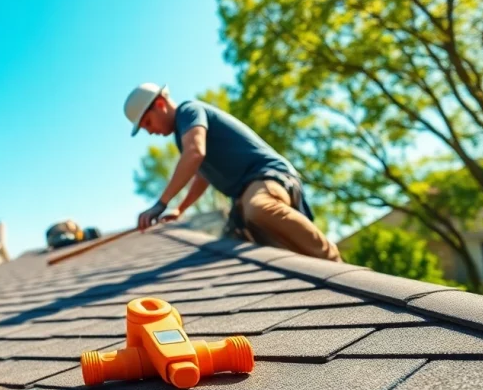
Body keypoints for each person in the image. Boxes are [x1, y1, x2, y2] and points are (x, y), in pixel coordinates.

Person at [123, 82, 341, 262]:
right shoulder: (182, 136)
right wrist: (179, 209)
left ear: (160, 104)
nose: (150, 132)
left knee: (259, 209)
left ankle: (332, 260)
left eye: (148, 123)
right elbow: (202, 176)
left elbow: (195, 153)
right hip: (244, 195)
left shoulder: (189, 112)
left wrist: (160, 204)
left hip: (268, 177)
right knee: (231, 248)